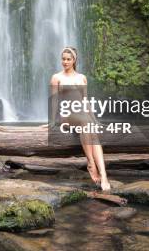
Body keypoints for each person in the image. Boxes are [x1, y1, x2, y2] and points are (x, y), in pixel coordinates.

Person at [50, 47, 111, 191]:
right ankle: (90, 161)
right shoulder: (56, 77)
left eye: (68, 59)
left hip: (82, 115)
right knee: (86, 122)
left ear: (74, 60)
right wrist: (52, 121)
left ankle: (103, 174)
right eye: (63, 59)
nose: (65, 62)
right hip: (66, 116)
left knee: (91, 128)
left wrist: (95, 119)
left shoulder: (81, 78)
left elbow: (85, 101)